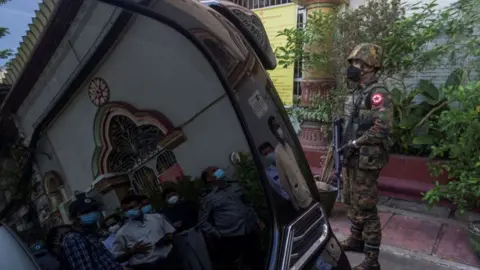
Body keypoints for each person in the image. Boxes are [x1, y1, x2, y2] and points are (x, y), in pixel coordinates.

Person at [340, 43, 392, 270]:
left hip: (366, 159)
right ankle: (355, 240)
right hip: (353, 156)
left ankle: (372, 261)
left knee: (366, 208)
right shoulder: (358, 92)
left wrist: (356, 142)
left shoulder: (377, 93)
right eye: (352, 63)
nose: (353, 67)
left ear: (370, 67)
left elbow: (383, 127)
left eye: (357, 63)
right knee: (352, 201)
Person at [198, 166, 265, 270]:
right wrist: (218, 233)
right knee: (240, 265)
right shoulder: (209, 198)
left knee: (258, 260)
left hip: (249, 229)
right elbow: (202, 222)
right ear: (208, 179)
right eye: (214, 171)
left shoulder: (234, 186)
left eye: (218, 169)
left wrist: (256, 219)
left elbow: (247, 205)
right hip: (232, 236)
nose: (219, 171)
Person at [48, 195, 124, 270]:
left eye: (95, 209)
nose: (94, 213)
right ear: (76, 216)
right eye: (88, 211)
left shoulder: (89, 234)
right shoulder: (74, 239)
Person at [112, 194, 177, 270]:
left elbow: (171, 232)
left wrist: (167, 238)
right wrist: (132, 251)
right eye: (126, 210)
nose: (130, 211)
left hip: (169, 261)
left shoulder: (157, 218)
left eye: (132, 207)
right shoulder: (122, 233)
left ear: (140, 205)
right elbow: (117, 258)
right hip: (145, 267)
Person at [267, 116, 313, 210]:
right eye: (276, 128)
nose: (279, 129)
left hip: (309, 189)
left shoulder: (289, 145)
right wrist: (293, 201)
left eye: (279, 126)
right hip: (300, 196)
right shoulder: (278, 152)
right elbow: (284, 181)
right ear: (273, 132)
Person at [162, 188, 213, 270]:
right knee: (191, 262)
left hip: (195, 233)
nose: (173, 197)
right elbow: (165, 230)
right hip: (180, 238)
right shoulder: (164, 213)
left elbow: (201, 215)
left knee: (204, 259)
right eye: (169, 196)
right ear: (165, 199)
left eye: (173, 194)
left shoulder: (188, 204)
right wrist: (172, 226)